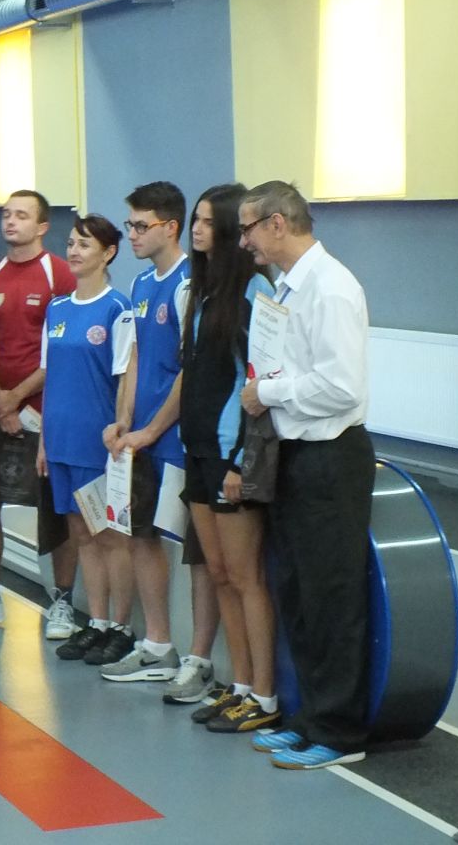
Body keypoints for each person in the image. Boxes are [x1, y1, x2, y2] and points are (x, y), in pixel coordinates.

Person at [237, 180, 374, 770]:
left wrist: (267, 393)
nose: (243, 241)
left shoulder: (332, 288)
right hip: (291, 455)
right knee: (295, 591)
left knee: (331, 596)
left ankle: (340, 733)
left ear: (277, 223)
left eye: (247, 228)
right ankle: (307, 718)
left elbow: (342, 387)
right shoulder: (285, 288)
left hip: (330, 458)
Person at [175, 184, 280, 731]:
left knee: (245, 577)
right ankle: (238, 686)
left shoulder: (254, 292)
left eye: (206, 221)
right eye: (194, 220)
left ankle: (264, 695)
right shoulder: (202, 290)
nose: (196, 230)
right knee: (217, 573)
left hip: (229, 454)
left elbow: (257, 381)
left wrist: (239, 459)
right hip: (196, 450)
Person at [0, 190, 79, 640]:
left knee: (55, 508)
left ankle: (63, 601)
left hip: (46, 411)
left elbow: (62, 350)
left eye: (22, 216)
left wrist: (18, 398)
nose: (10, 222)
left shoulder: (60, 275)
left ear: (43, 226)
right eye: (6, 215)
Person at [99, 182, 192, 683]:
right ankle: (156, 643)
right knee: (139, 537)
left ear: (170, 227)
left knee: (180, 546)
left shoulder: (186, 283)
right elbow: (135, 358)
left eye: (141, 225)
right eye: (129, 224)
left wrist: (154, 429)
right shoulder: (139, 284)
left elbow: (188, 370)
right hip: (139, 437)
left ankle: (193, 654)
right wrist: (123, 420)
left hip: (172, 439)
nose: (131, 234)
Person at [36, 216, 138, 666]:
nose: (74, 251)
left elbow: (126, 379)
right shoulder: (56, 309)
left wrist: (121, 430)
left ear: (108, 253)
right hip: (60, 441)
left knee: (109, 535)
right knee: (81, 535)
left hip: (98, 444)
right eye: (71, 243)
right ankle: (95, 621)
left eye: (84, 244)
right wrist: (44, 442)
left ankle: (120, 627)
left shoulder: (117, 308)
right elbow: (51, 377)